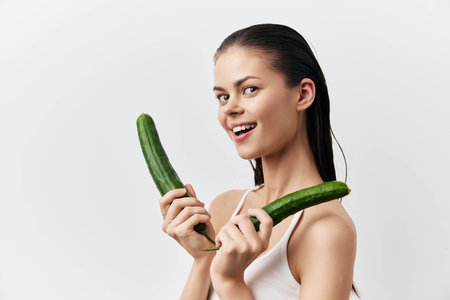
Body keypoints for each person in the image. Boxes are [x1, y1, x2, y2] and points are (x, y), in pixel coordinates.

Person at [158, 23, 359, 300]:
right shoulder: (224, 207)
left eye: (250, 89)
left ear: (303, 94)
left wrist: (229, 282)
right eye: (223, 96)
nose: (230, 107)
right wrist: (203, 259)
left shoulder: (325, 229)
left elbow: (227, 283)